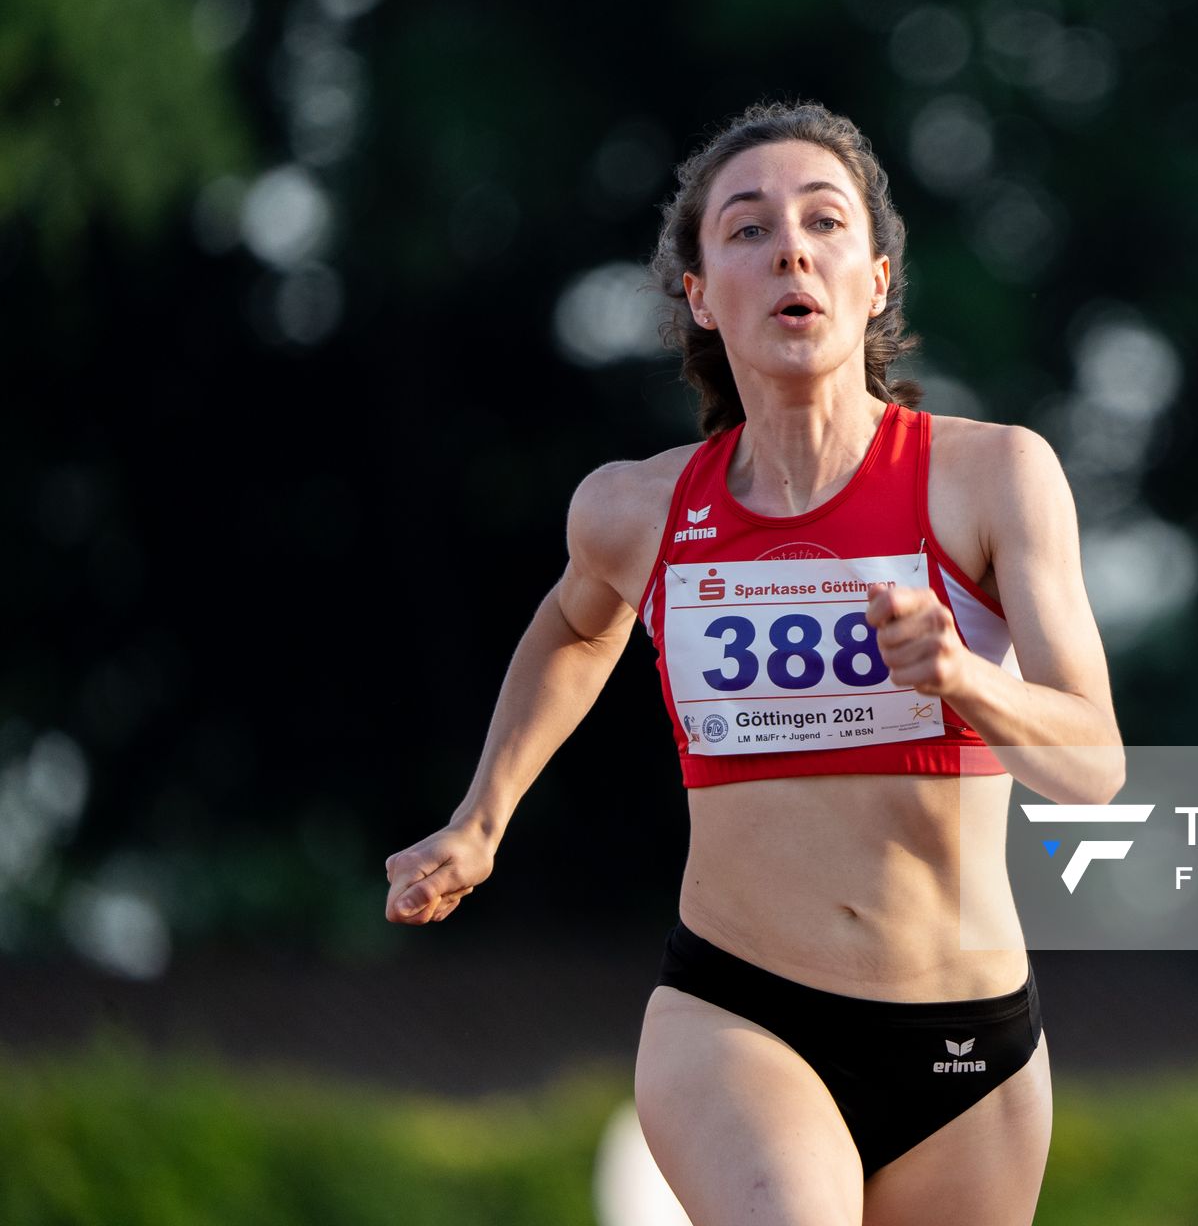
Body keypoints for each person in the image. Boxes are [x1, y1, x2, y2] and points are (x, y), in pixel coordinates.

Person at [383, 100, 1124, 1225]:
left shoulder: (994, 479)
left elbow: (1095, 766)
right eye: (746, 226)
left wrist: (964, 677)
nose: (790, 245)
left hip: (969, 1043)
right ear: (698, 293)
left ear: (873, 279)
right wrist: (483, 816)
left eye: (825, 221)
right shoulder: (636, 508)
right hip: (740, 1011)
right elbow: (578, 627)